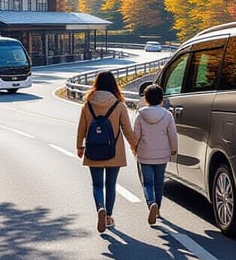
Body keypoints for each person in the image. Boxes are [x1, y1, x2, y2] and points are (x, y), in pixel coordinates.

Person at [76, 70, 137, 233]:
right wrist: (135, 145)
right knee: (111, 185)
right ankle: (108, 216)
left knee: (97, 185)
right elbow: (127, 130)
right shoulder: (119, 105)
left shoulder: (87, 104)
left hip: (93, 150)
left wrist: (79, 146)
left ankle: (100, 208)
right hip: (114, 151)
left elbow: (81, 128)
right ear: (113, 85)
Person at [131, 84, 178, 225]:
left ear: (146, 99)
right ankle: (157, 209)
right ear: (161, 99)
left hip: (145, 154)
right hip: (162, 155)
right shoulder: (168, 115)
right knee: (159, 183)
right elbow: (173, 135)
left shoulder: (140, 115)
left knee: (147, 183)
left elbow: (136, 136)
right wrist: (173, 149)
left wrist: (134, 148)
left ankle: (151, 203)